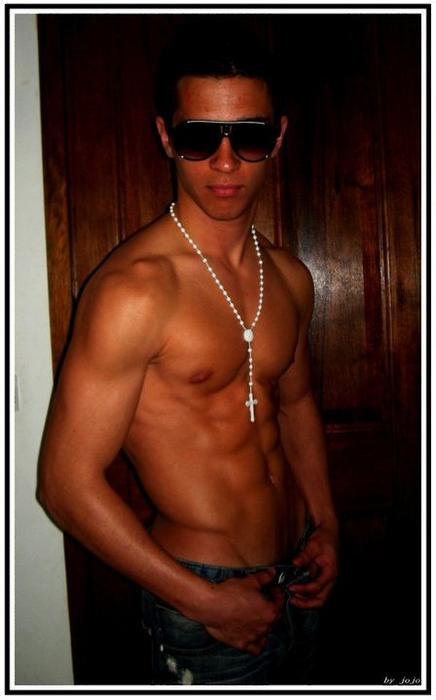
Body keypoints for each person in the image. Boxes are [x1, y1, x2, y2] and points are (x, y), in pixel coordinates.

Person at [38, 22, 338, 685]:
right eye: (201, 137)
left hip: (300, 575)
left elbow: (296, 406)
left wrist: (327, 525)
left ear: (278, 137)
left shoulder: (290, 278)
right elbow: (64, 485)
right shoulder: (134, 291)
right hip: (203, 604)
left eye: (249, 135)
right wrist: (203, 601)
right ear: (166, 137)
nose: (225, 162)